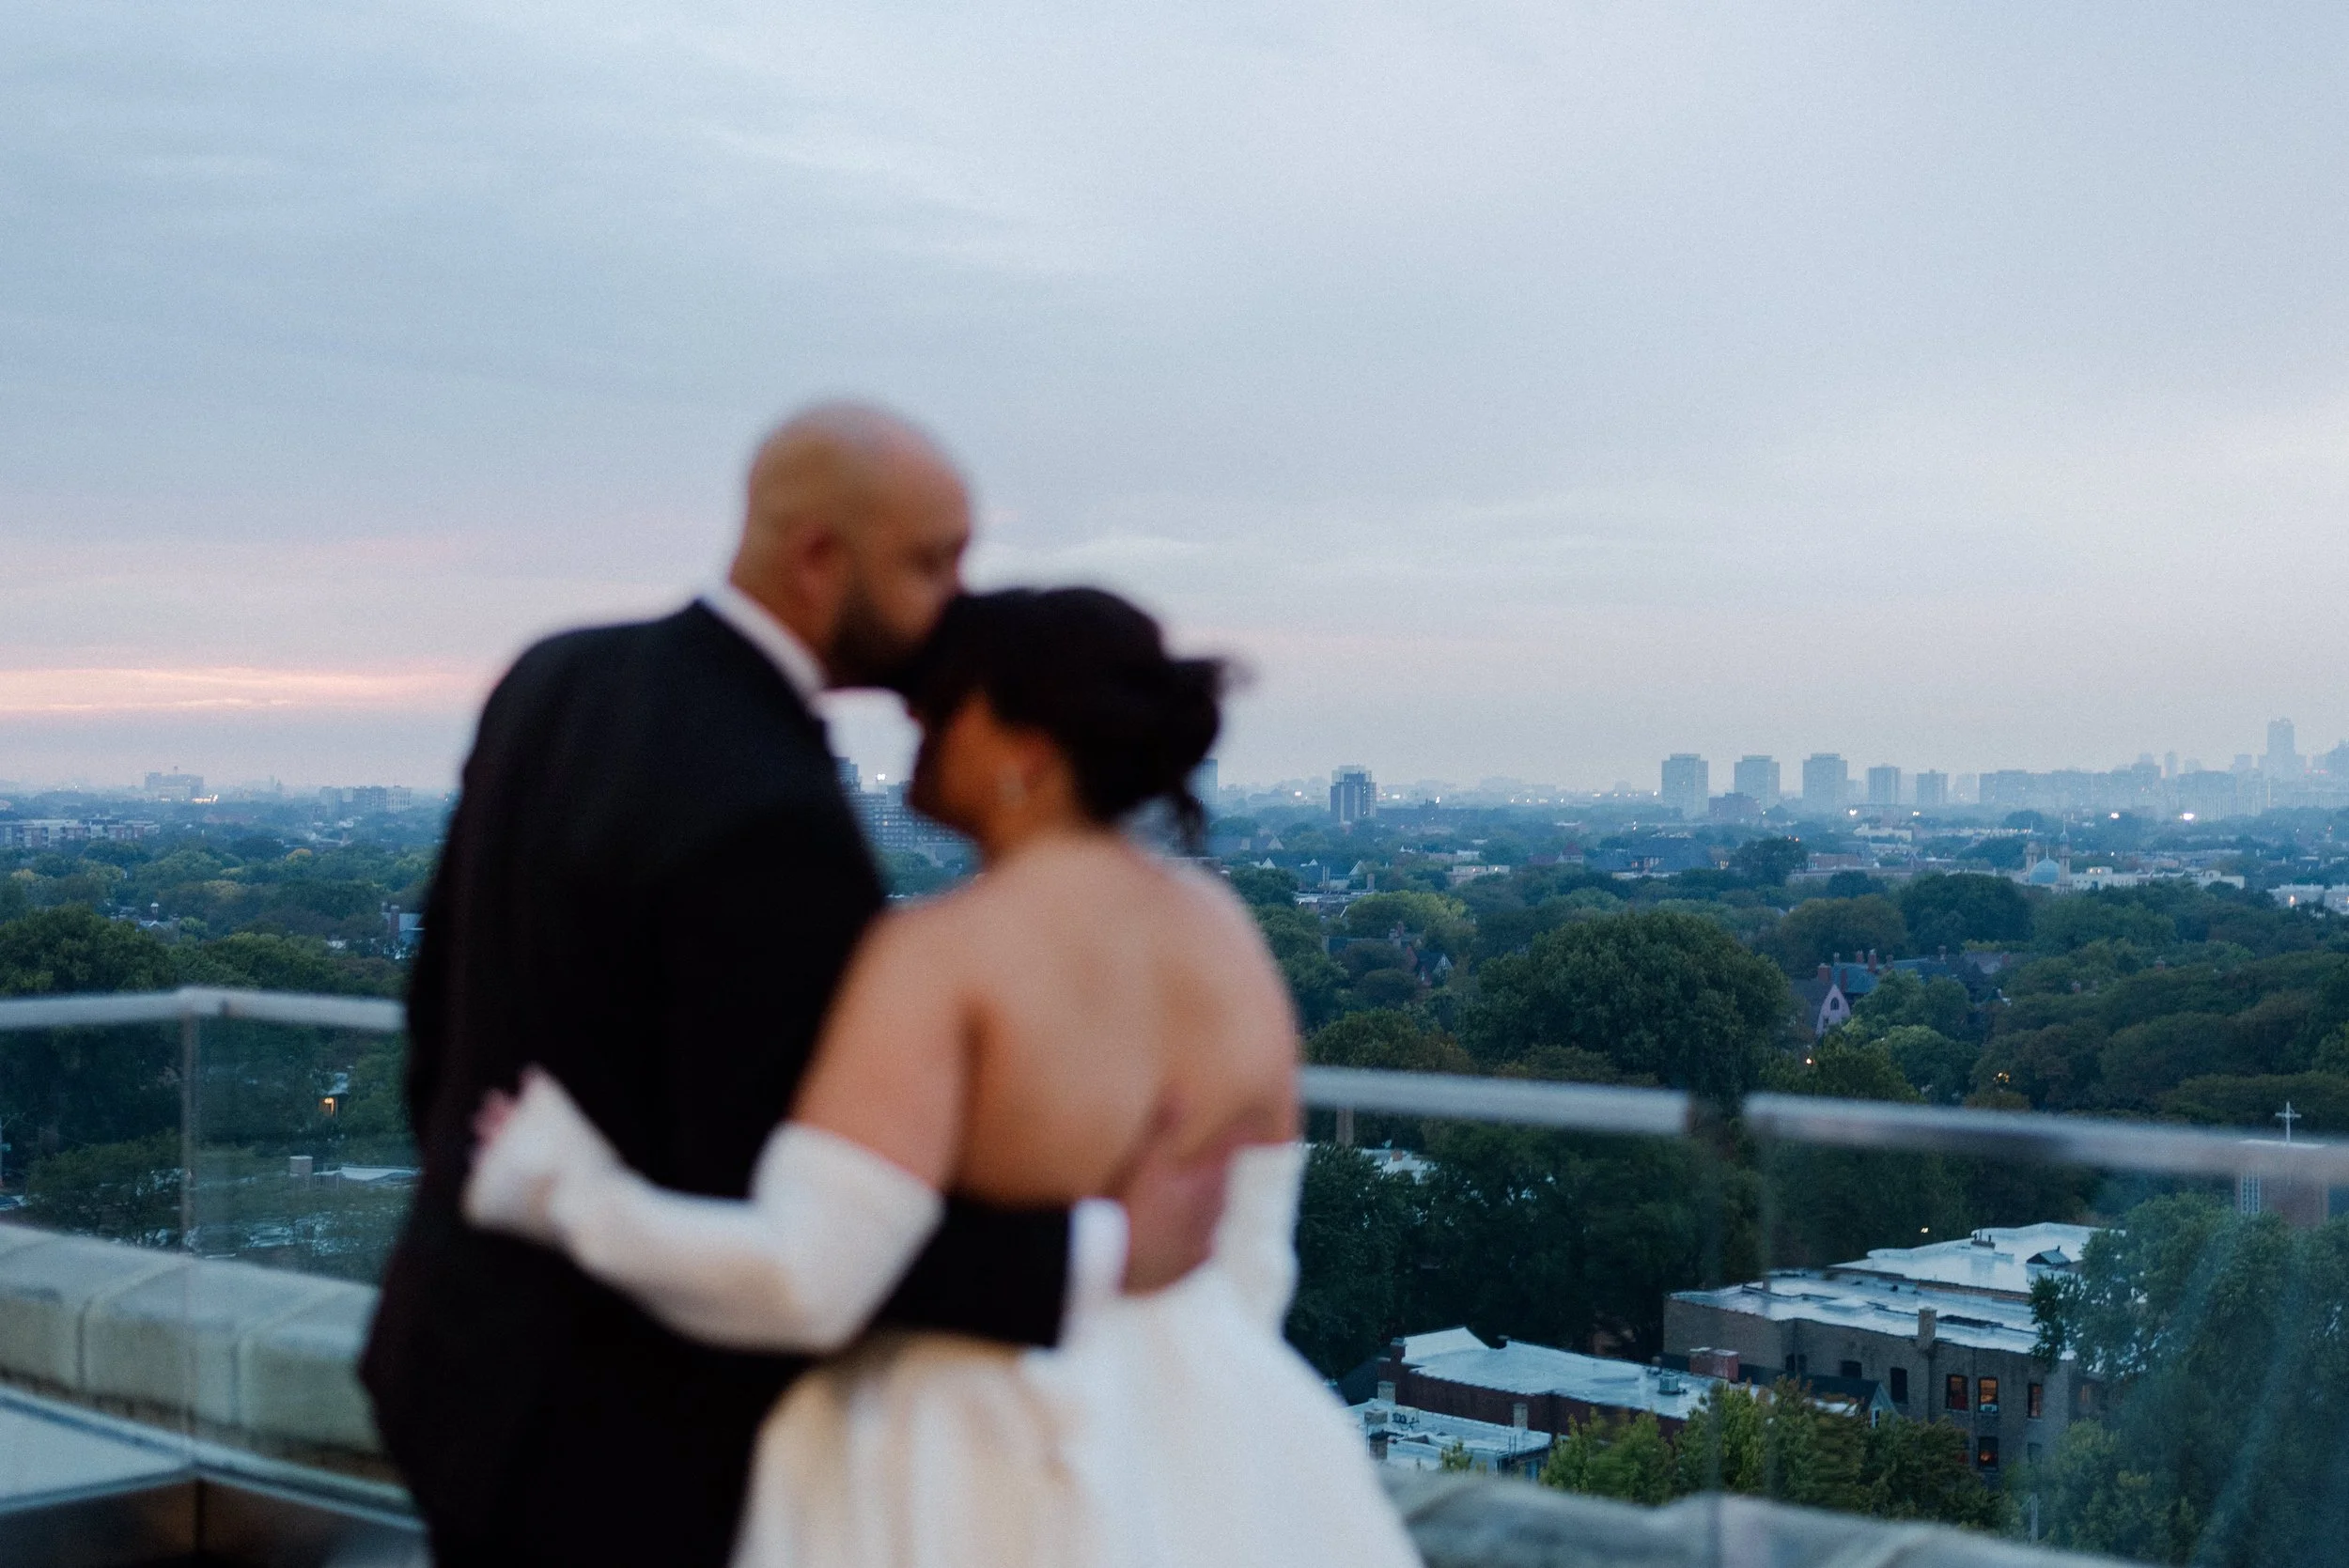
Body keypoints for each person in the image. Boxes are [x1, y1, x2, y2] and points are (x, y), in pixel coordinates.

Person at [463, 586, 1423, 1568]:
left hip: (969, 1458)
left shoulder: (937, 955)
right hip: (1223, 1434)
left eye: (942, 706)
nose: (911, 725)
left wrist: (567, 1194)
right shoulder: (1226, 936)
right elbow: (1253, 1260)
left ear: (1027, 749)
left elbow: (802, 1279)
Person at [362, 408, 1170, 1568]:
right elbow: (783, 1199)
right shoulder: (773, 810)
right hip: (630, 1439)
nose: (955, 599)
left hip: (452, 1356)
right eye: (930, 561)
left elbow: (440, 1029)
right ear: (817, 559)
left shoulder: (555, 674)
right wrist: (1108, 1248)